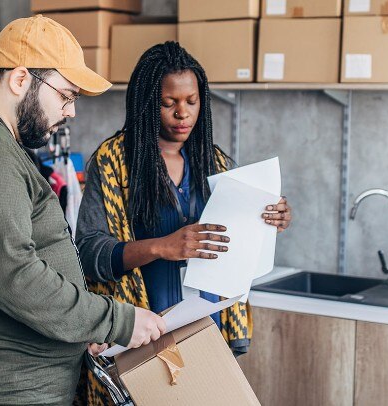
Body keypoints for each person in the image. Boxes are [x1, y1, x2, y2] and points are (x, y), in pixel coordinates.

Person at [0, 16, 166, 405]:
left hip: (5, 385)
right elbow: (12, 274)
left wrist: (80, 324)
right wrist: (116, 320)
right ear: (21, 80)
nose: (71, 112)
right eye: (66, 96)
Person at [74, 42, 293, 404]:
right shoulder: (113, 161)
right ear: (147, 104)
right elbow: (90, 253)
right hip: (142, 338)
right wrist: (163, 246)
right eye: (169, 103)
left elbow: (237, 240)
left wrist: (270, 217)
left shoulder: (216, 162)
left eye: (192, 101)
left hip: (208, 331)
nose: (182, 114)